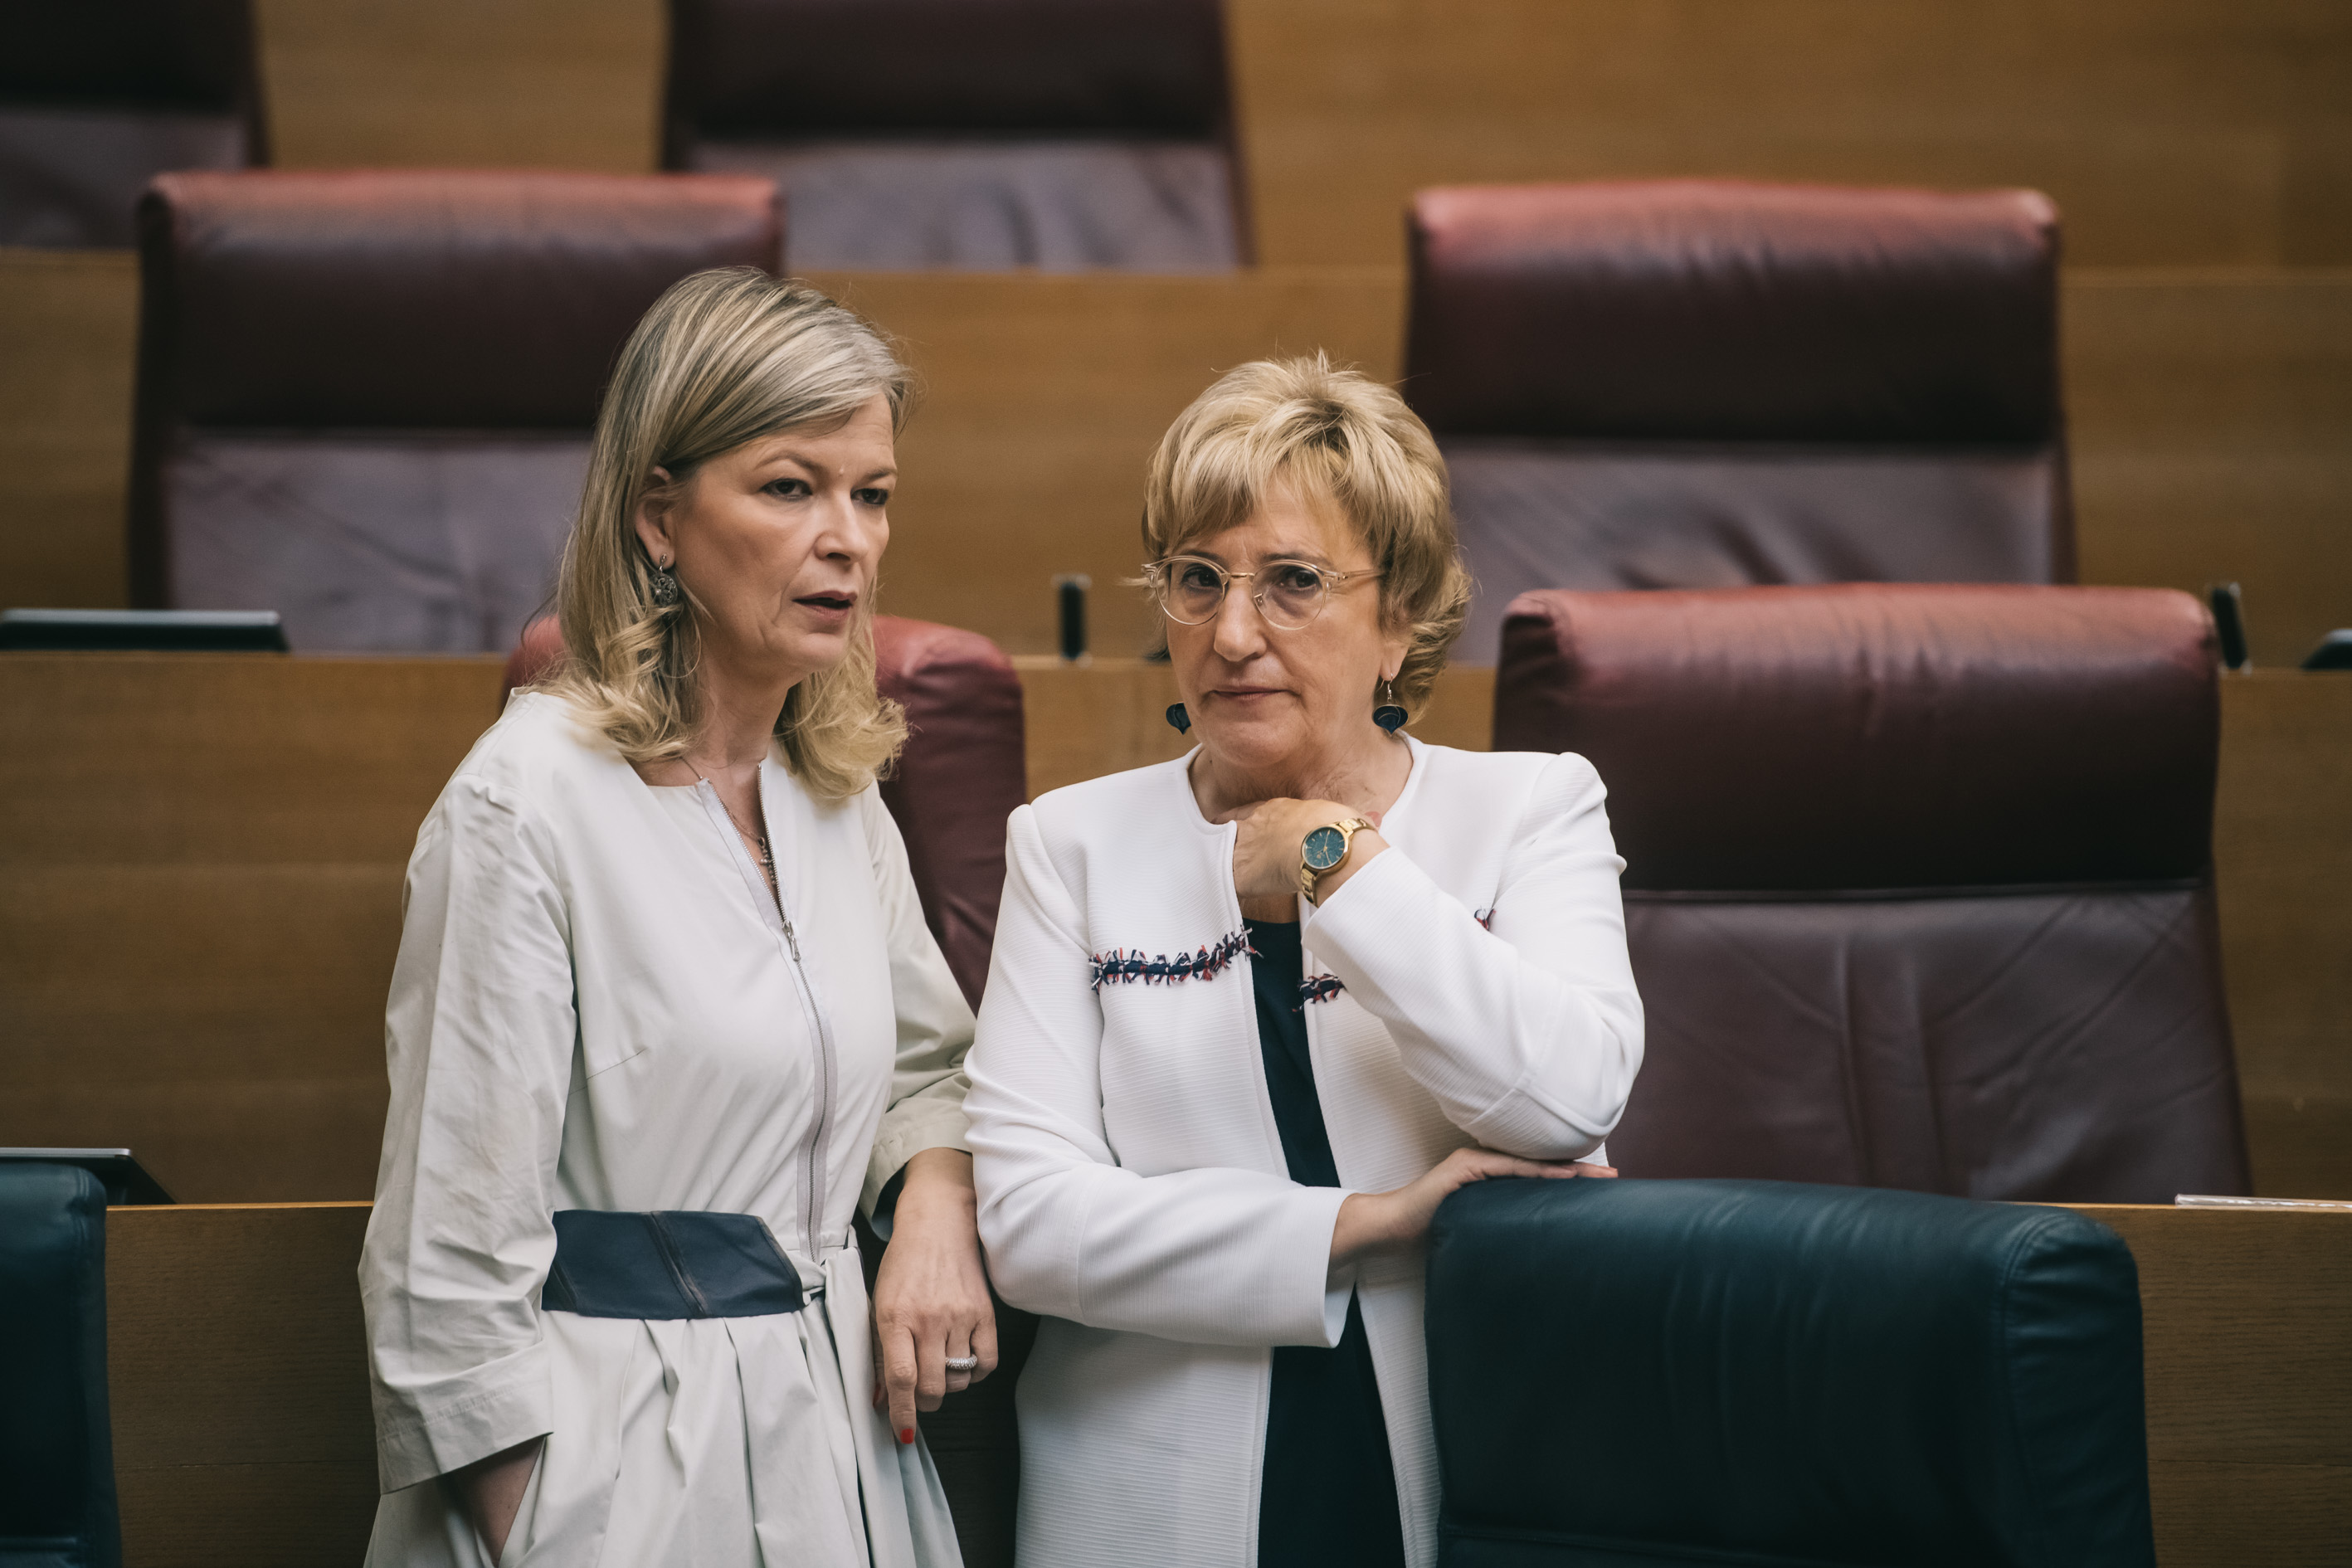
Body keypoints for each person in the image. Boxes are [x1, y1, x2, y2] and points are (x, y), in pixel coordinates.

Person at [964, 355, 1645, 1568]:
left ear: (1400, 617)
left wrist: (1338, 858)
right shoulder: (1068, 845)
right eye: (1196, 580)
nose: (1231, 634)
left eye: (1290, 583)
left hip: (1463, 1459)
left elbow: (1568, 1095)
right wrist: (1377, 1226)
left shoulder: (1533, 810)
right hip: (1144, 1490)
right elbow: (1032, 1225)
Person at [360, 269, 993, 1568]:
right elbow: (446, 1258)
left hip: (849, 1450)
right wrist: (537, 1520)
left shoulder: (836, 792)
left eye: (871, 493)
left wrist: (933, 1198)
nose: (851, 538)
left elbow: (929, 1070)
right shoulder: (523, 803)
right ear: (660, 515)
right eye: (790, 486)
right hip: (617, 1468)